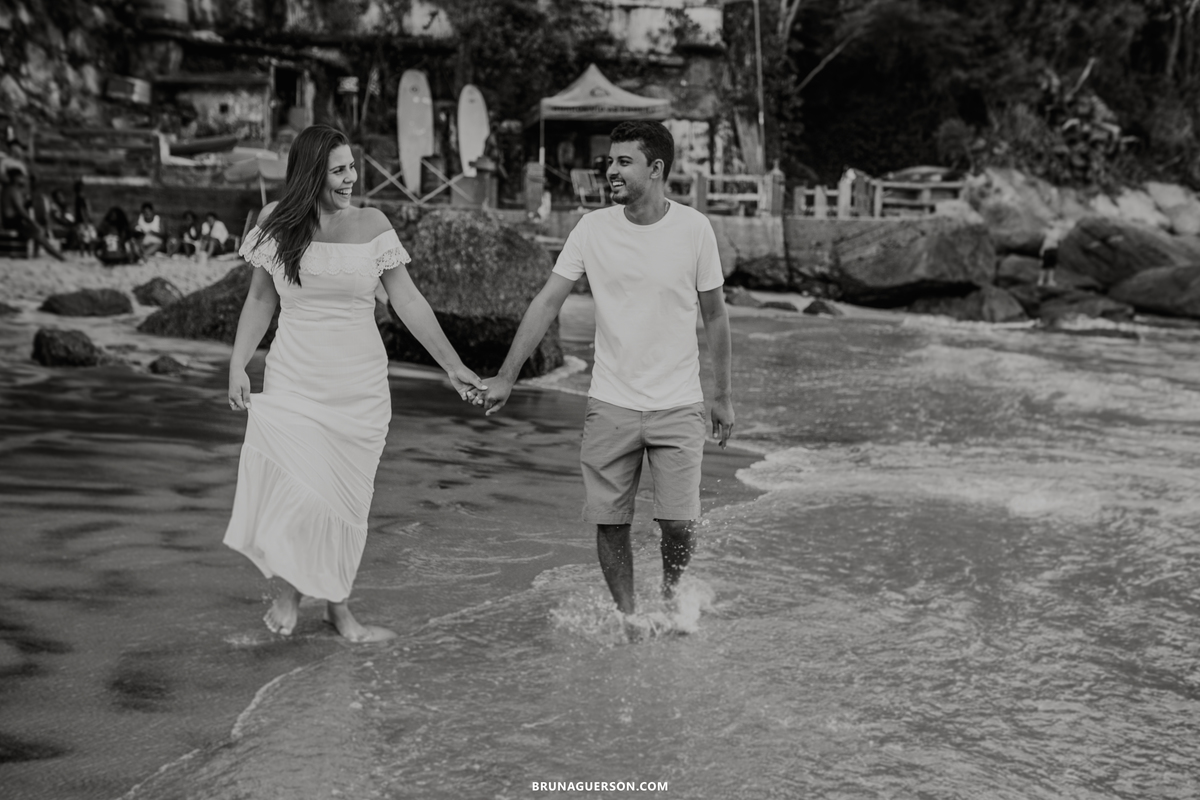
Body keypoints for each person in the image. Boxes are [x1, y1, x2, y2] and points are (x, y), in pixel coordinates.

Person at [225, 124, 486, 643]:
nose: (351, 178)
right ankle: (292, 593)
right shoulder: (276, 222)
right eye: (338, 169)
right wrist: (237, 364)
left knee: (345, 503)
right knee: (299, 490)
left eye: (351, 167)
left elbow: (408, 301)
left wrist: (453, 365)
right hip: (294, 377)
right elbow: (260, 300)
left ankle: (338, 607)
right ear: (310, 174)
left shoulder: (372, 223)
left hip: (359, 387)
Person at [482, 120, 734, 629]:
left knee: (679, 524)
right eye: (611, 161)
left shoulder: (693, 229)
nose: (610, 170)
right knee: (609, 522)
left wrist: (722, 396)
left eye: (624, 162)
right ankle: (630, 618)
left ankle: (670, 599)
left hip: (678, 402)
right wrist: (508, 375)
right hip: (611, 401)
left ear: (656, 169)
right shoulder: (591, 229)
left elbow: (716, 316)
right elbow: (547, 301)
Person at [0, 168, 65, 260]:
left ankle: (37, 254)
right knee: (38, 231)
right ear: (15, 178)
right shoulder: (13, 190)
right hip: (13, 221)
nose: (24, 179)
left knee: (39, 230)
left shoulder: (9, 189)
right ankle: (58, 256)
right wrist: (33, 223)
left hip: (12, 220)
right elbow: (21, 211)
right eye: (21, 177)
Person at [1038, 222, 1068, 288]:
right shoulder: (1046, 231)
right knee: (1044, 266)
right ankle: (1041, 280)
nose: (1051, 224)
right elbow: (1042, 240)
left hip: (1054, 249)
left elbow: (1060, 238)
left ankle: (1050, 280)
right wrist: (1041, 251)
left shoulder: (1057, 231)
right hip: (1046, 249)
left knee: (1052, 266)